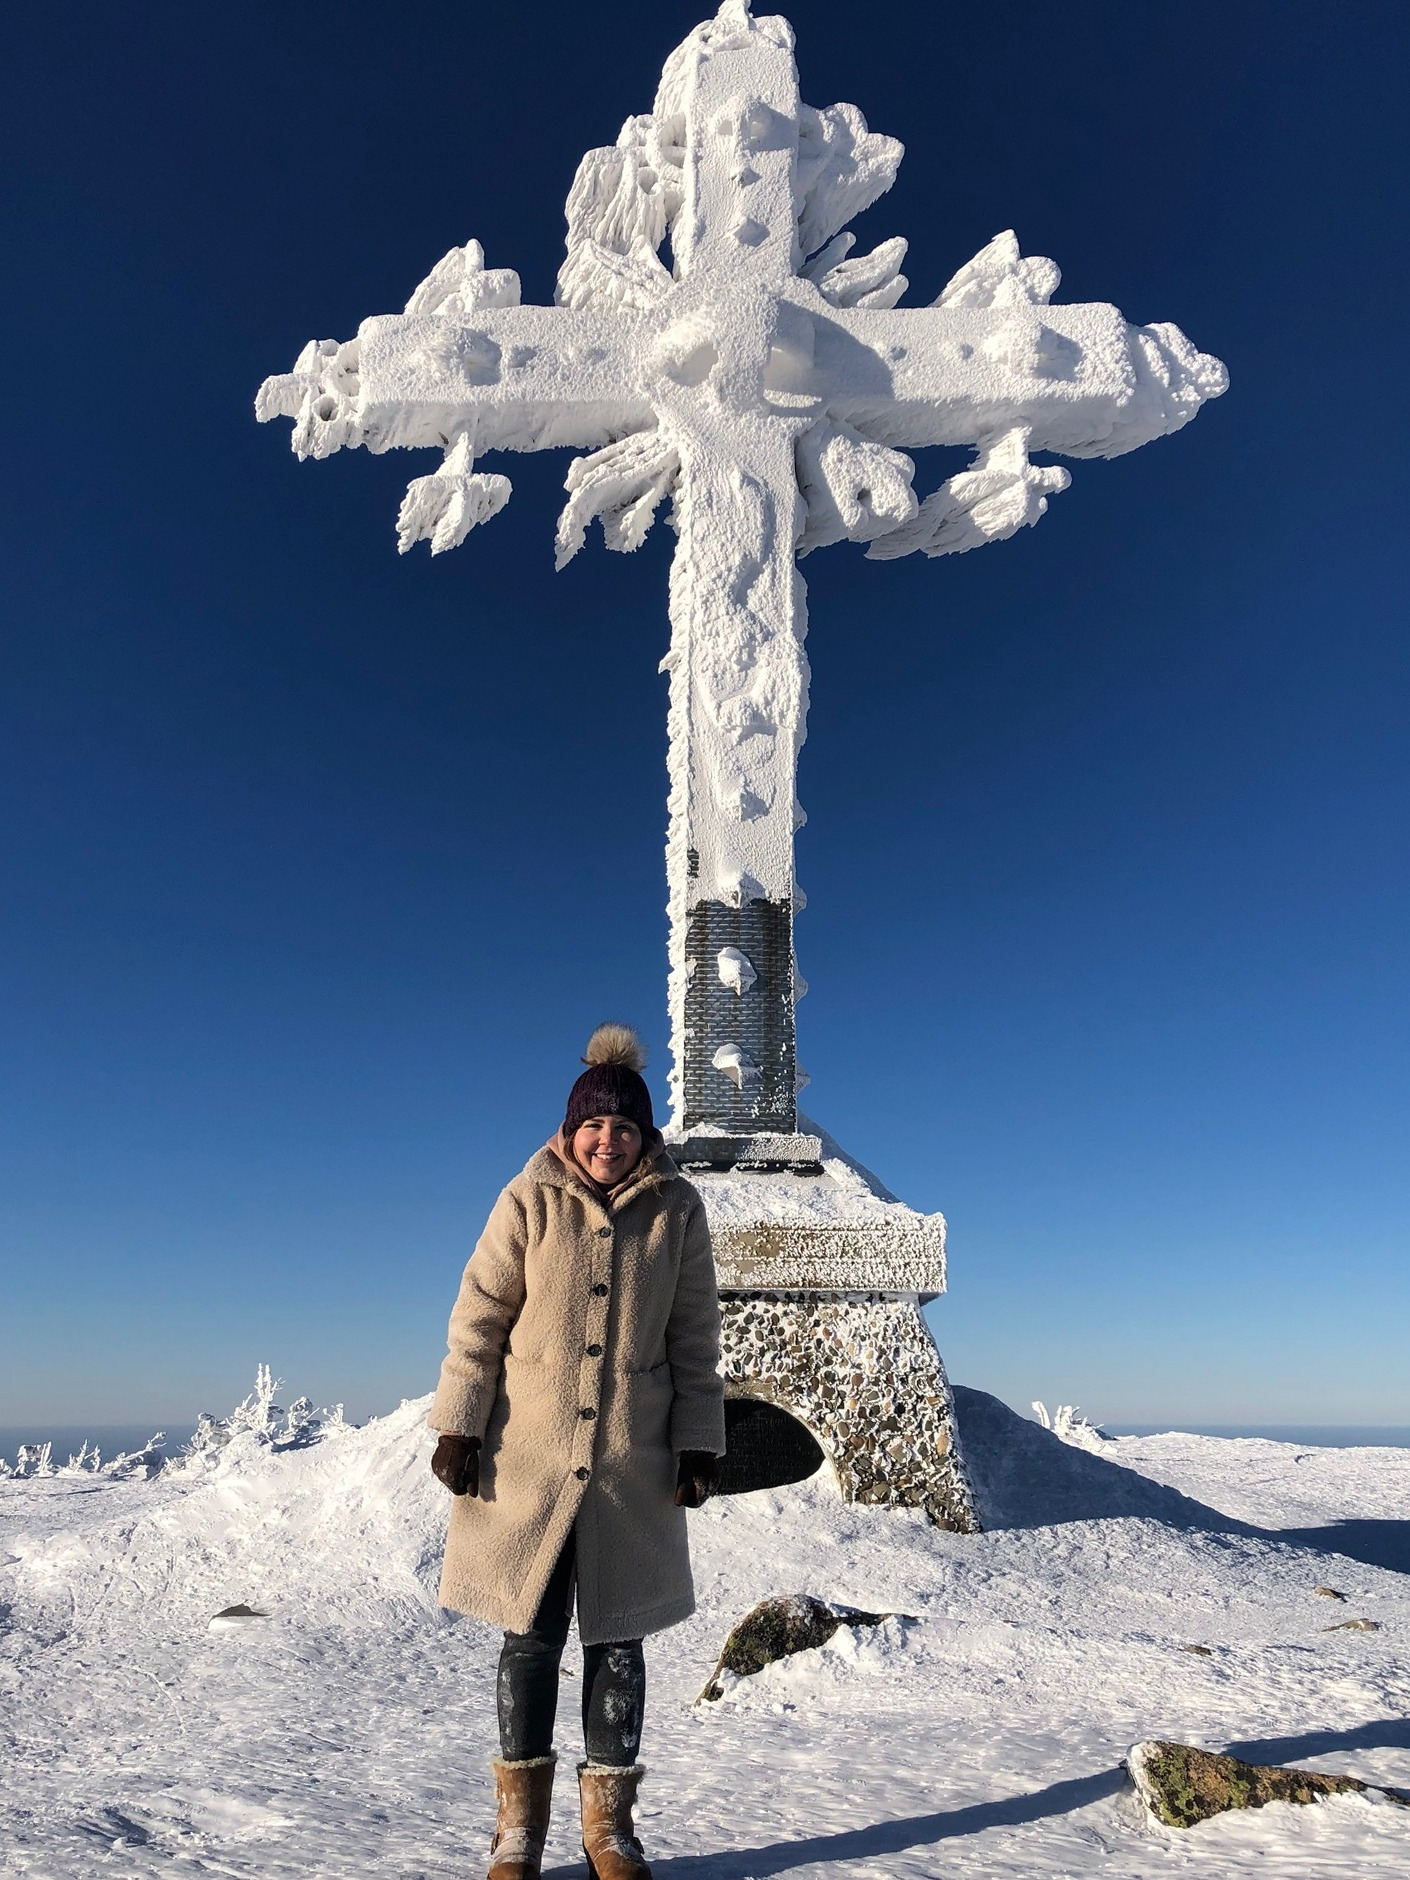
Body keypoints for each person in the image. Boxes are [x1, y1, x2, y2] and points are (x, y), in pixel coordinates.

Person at [428, 1023, 725, 1880]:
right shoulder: (528, 1199)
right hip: (526, 1458)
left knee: (619, 1643)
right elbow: (479, 1314)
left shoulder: (679, 1212)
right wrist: (460, 1422)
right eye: (594, 1127)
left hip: (631, 1466)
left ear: (646, 1136)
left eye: (625, 1128)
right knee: (529, 1638)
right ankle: (516, 1833)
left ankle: (611, 1832)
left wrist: (699, 1440)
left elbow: (695, 1336)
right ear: (570, 1131)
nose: (608, 1141)